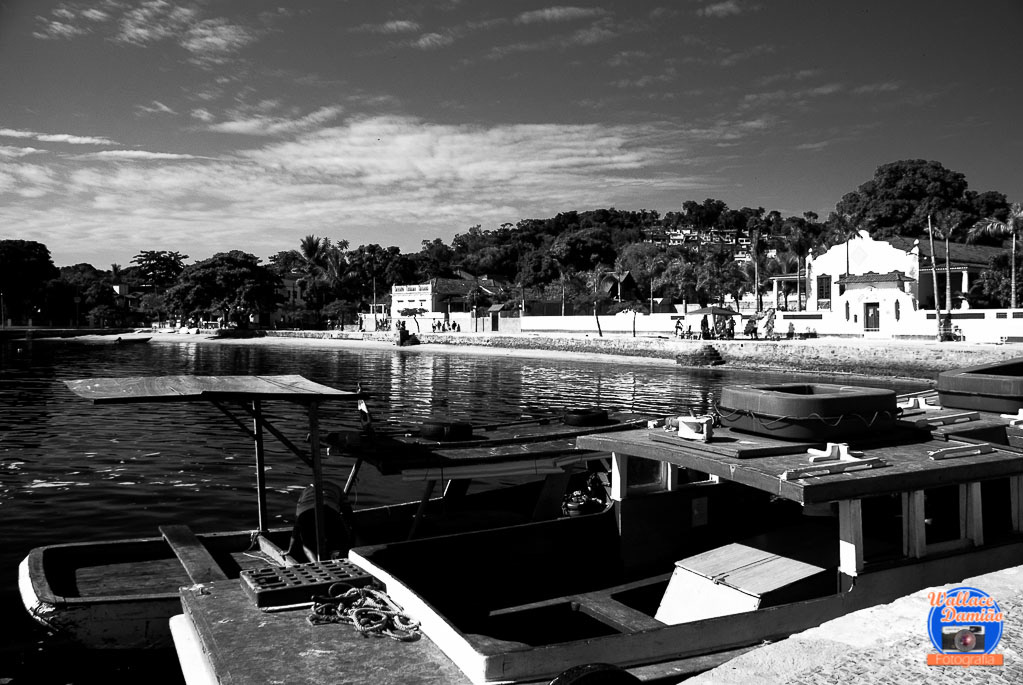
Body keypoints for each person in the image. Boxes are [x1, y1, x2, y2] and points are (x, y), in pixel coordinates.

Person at [286, 481, 358, 563]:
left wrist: (290, 550)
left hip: (305, 513)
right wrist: (351, 539)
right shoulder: (338, 489)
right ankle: (338, 557)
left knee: (307, 545)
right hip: (328, 510)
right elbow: (348, 514)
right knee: (340, 541)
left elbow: (297, 525)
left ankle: (316, 563)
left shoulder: (306, 490)